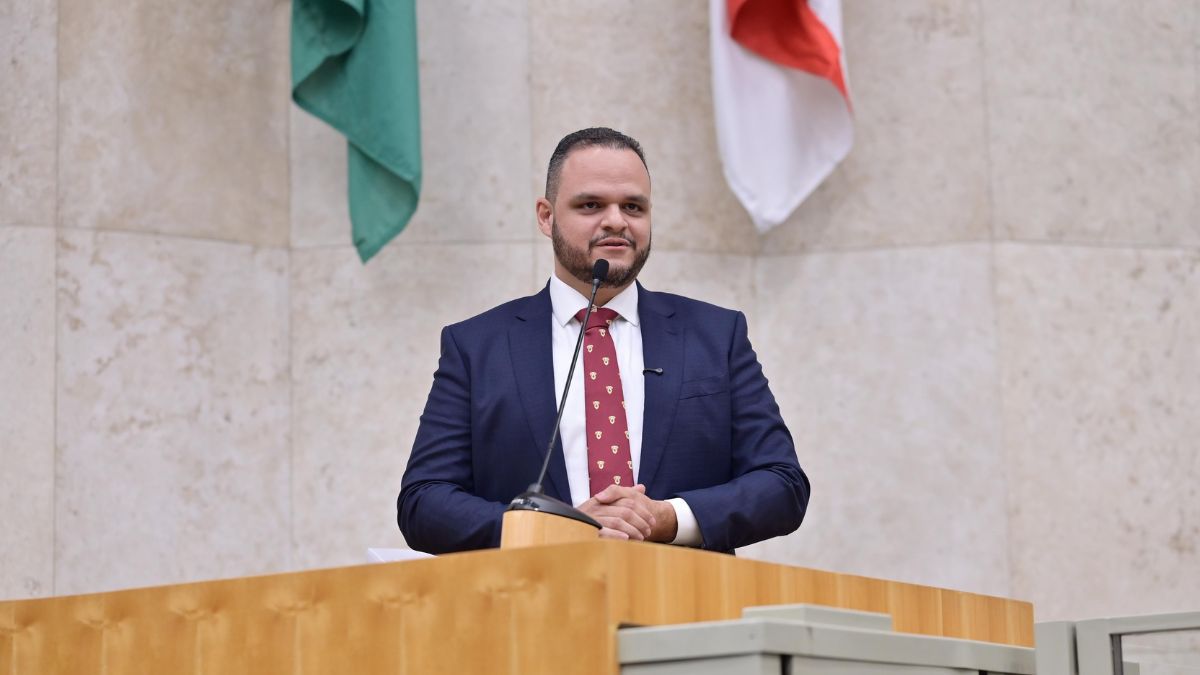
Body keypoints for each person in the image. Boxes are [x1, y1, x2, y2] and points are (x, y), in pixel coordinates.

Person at [397, 127, 809, 554]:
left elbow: (782, 484)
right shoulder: (476, 347)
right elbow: (423, 502)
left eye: (633, 206)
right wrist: (551, 531)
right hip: (535, 590)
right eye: (591, 205)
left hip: (687, 590)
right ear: (546, 216)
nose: (616, 221)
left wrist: (668, 518)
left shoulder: (716, 336)